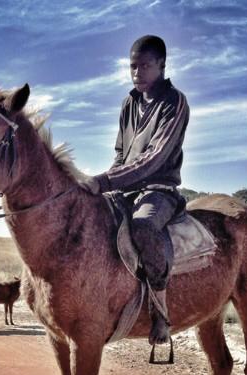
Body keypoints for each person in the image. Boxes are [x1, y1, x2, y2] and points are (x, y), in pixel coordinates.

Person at [81, 35, 190, 346]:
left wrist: (103, 182)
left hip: (159, 189)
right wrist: (107, 185)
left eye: (145, 66)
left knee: (142, 226)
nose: (137, 72)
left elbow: (153, 159)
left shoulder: (175, 102)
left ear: (161, 65)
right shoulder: (129, 103)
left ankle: (160, 311)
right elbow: (120, 153)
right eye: (132, 66)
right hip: (125, 188)